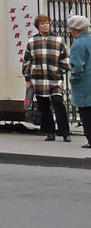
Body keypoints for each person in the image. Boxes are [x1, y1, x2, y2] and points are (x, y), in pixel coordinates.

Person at [22, 14, 71, 142]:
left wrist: (59, 72)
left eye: (47, 23)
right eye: (42, 23)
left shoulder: (58, 40)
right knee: (44, 106)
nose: (45, 25)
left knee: (58, 103)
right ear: (38, 26)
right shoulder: (32, 41)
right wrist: (28, 78)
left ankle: (65, 132)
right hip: (38, 79)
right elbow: (26, 61)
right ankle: (50, 132)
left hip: (54, 79)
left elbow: (65, 60)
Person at [66, 14, 91, 149]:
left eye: (71, 29)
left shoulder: (78, 43)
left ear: (76, 29)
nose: (70, 31)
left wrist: (73, 79)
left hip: (84, 85)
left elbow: (77, 66)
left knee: (86, 113)